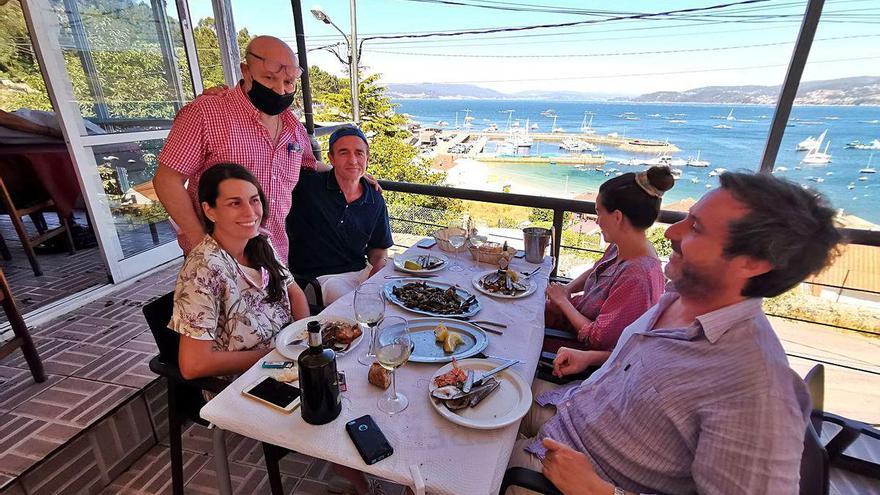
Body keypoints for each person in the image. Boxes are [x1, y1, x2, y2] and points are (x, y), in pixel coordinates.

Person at [508, 171, 842, 495]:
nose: (671, 232)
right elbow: (651, 364)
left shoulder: (756, 392)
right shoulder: (683, 296)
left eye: (695, 227)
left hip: (558, 471)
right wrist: (593, 357)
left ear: (753, 263)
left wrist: (601, 491)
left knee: (457, 457)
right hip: (566, 407)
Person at [154, 35, 321, 262]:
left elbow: (309, 164)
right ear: (246, 71)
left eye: (288, 82)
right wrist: (201, 244)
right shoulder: (207, 113)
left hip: (275, 256)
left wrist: (356, 172)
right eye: (269, 78)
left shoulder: (293, 127)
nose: (280, 90)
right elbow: (167, 180)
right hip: (220, 258)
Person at [169, 163, 309, 380]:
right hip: (245, 379)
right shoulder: (202, 269)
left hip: (288, 358)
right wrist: (277, 356)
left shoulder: (259, 242)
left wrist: (305, 341)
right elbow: (193, 365)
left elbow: (295, 293)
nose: (250, 212)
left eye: (254, 200)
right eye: (235, 203)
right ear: (209, 210)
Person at [543, 166, 673, 361]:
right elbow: (596, 271)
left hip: (579, 352)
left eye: (599, 212)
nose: (597, 221)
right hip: (570, 320)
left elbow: (597, 339)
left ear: (617, 217)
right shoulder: (625, 244)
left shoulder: (638, 276)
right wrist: (567, 289)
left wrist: (562, 302)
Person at [287, 127, 393, 304]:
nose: (352, 160)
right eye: (343, 153)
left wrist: (377, 273)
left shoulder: (374, 199)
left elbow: (379, 249)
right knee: (360, 307)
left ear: (367, 158)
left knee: (399, 295)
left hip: (361, 273)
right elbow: (282, 164)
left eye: (359, 153)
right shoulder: (307, 187)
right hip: (320, 280)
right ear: (331, 158)